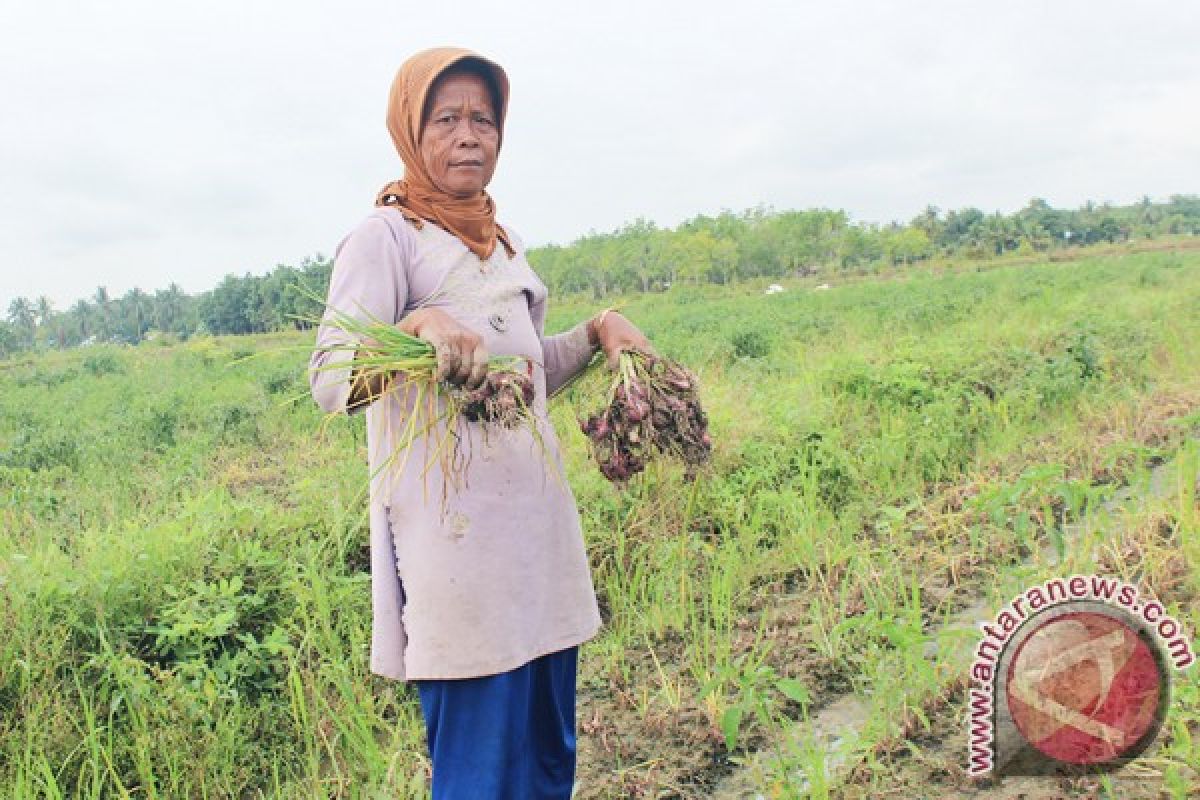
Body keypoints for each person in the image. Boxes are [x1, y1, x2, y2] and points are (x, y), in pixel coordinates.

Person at [308, 46, 652, 799]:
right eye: (447, 118)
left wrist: (596, 334)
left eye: (484, 120)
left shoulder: (505, 243)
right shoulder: (385, 238)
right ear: (411, 128)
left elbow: (524, 382)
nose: (470, 135)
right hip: (459, 559)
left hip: (540, 545)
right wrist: (420, 326)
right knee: (479, 776)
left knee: (546, 763)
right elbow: (331, 379)